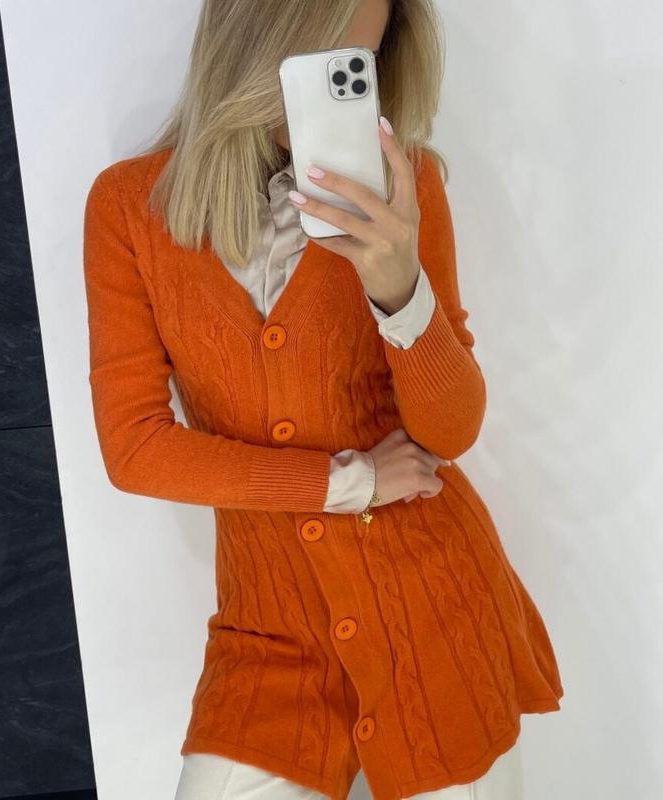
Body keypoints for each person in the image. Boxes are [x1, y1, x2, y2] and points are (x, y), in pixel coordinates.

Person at [82, 1, 564, 798]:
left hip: (432, 615)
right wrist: (349, 482)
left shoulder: (406, 190)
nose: (341, 87)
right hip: (267, 637)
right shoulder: (131, 208)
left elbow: (449, 431)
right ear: (254, 38)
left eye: (359, 66)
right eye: (321, 60)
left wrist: (398, 287)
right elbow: (135, 448)